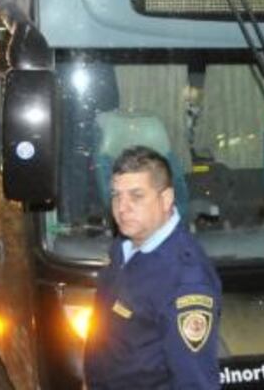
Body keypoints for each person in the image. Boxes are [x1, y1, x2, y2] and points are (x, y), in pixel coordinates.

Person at [84, 146, 221, 390]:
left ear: (166, 199)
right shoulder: (125, 245)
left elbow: (195, 382)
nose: (122, 207)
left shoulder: (186, 281)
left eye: (136, 196)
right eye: (117, 195)